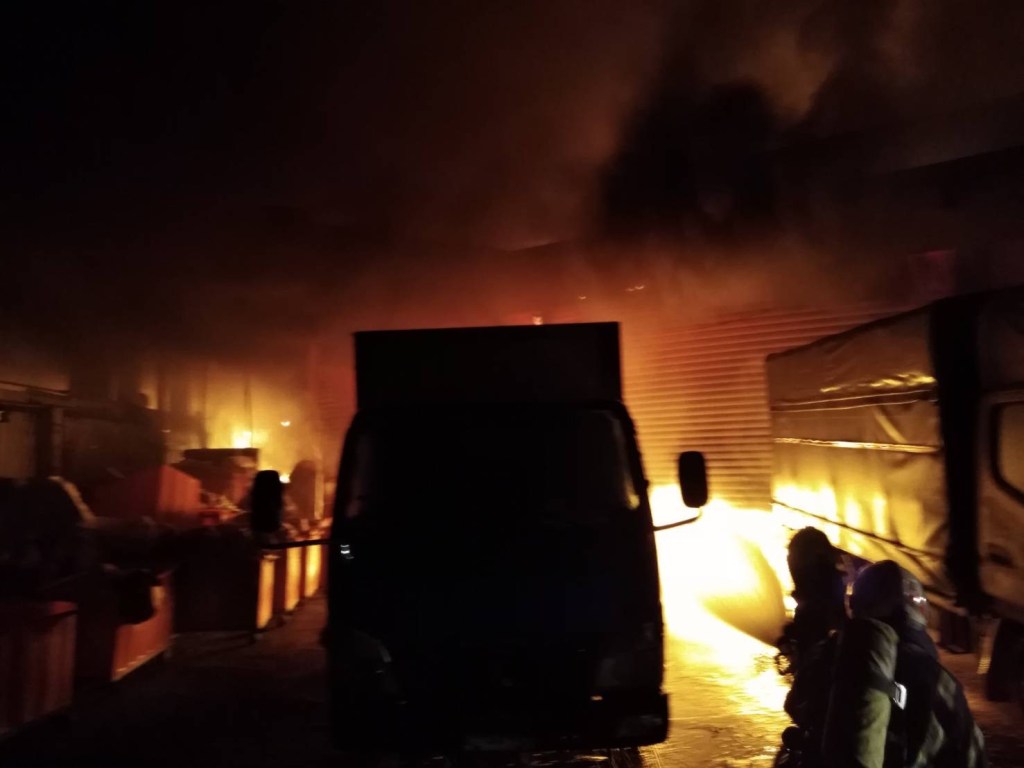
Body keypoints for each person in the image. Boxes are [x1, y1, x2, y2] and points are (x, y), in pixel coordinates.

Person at [781, 560, 987, 768]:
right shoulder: (933, 675)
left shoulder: (825, 654)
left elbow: (794, 706)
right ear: (917, 609)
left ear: (856, 605)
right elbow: (970, 753)